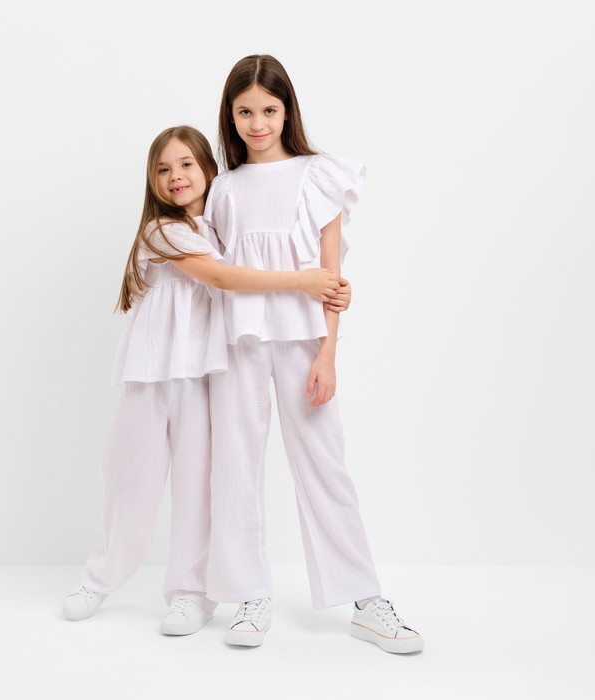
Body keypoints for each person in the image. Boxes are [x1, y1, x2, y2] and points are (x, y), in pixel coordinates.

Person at [61, 125, 350, 636]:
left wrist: (331, 290)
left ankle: (191, 594)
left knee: (198, 487)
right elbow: (222, 277)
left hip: (205, 374)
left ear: (210, 171)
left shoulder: (222, 230)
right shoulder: (162, 231)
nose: (175, 177)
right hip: (152, 373)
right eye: (163, 169)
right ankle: (100, 578)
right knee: (131, 480)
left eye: (186, 165)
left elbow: (269, 254)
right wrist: (303, 281)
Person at [203, 55, 423, 653]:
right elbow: (220, 274)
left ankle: (366, 600)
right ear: (230, 116)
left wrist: (328, 354)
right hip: (238, 341)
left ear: (287, 111)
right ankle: (250, 594)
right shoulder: (223, 189)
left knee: (326, 466)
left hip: (304, 342)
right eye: (244, 111)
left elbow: (331, 276)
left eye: (268, 110)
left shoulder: (319, 174)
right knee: (237, 465)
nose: (257, 123)